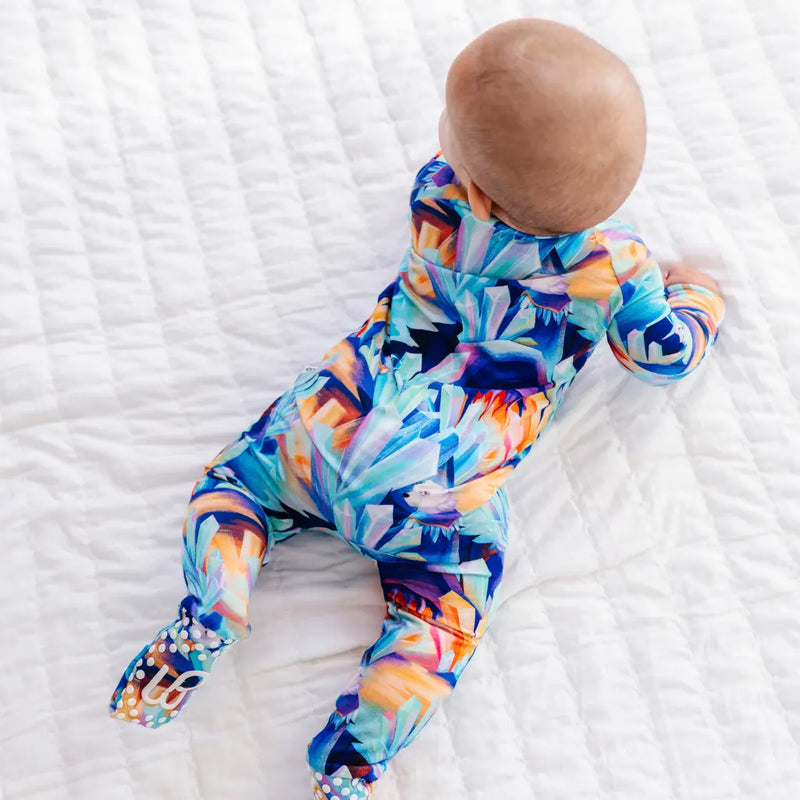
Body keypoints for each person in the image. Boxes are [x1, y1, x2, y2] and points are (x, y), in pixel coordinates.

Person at [109, 18, 724, 800]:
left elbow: (479, 167)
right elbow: (662, 357)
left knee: (234, 490)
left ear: (470, 178)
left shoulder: (437, 194)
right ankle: (356, 754)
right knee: (440, 620)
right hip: (436, 490)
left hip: (331, 422)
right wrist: (696, 297)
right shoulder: (615, 267)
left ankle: (216, 598)